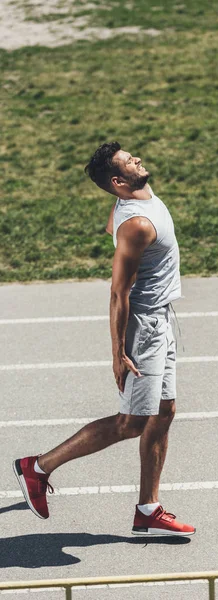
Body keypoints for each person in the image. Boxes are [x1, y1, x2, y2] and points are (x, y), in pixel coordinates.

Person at [13, 141, 195, 537]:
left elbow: (111, 223)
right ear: (118, 180)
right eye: (129, 162)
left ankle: (148, 508)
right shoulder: (138, 225)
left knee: (163, 413)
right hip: (142, 327)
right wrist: (118, 352)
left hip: (161, 320)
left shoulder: (141, 198)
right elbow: (118, 293)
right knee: (131, 423)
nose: (138, 160)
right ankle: (38, 467)